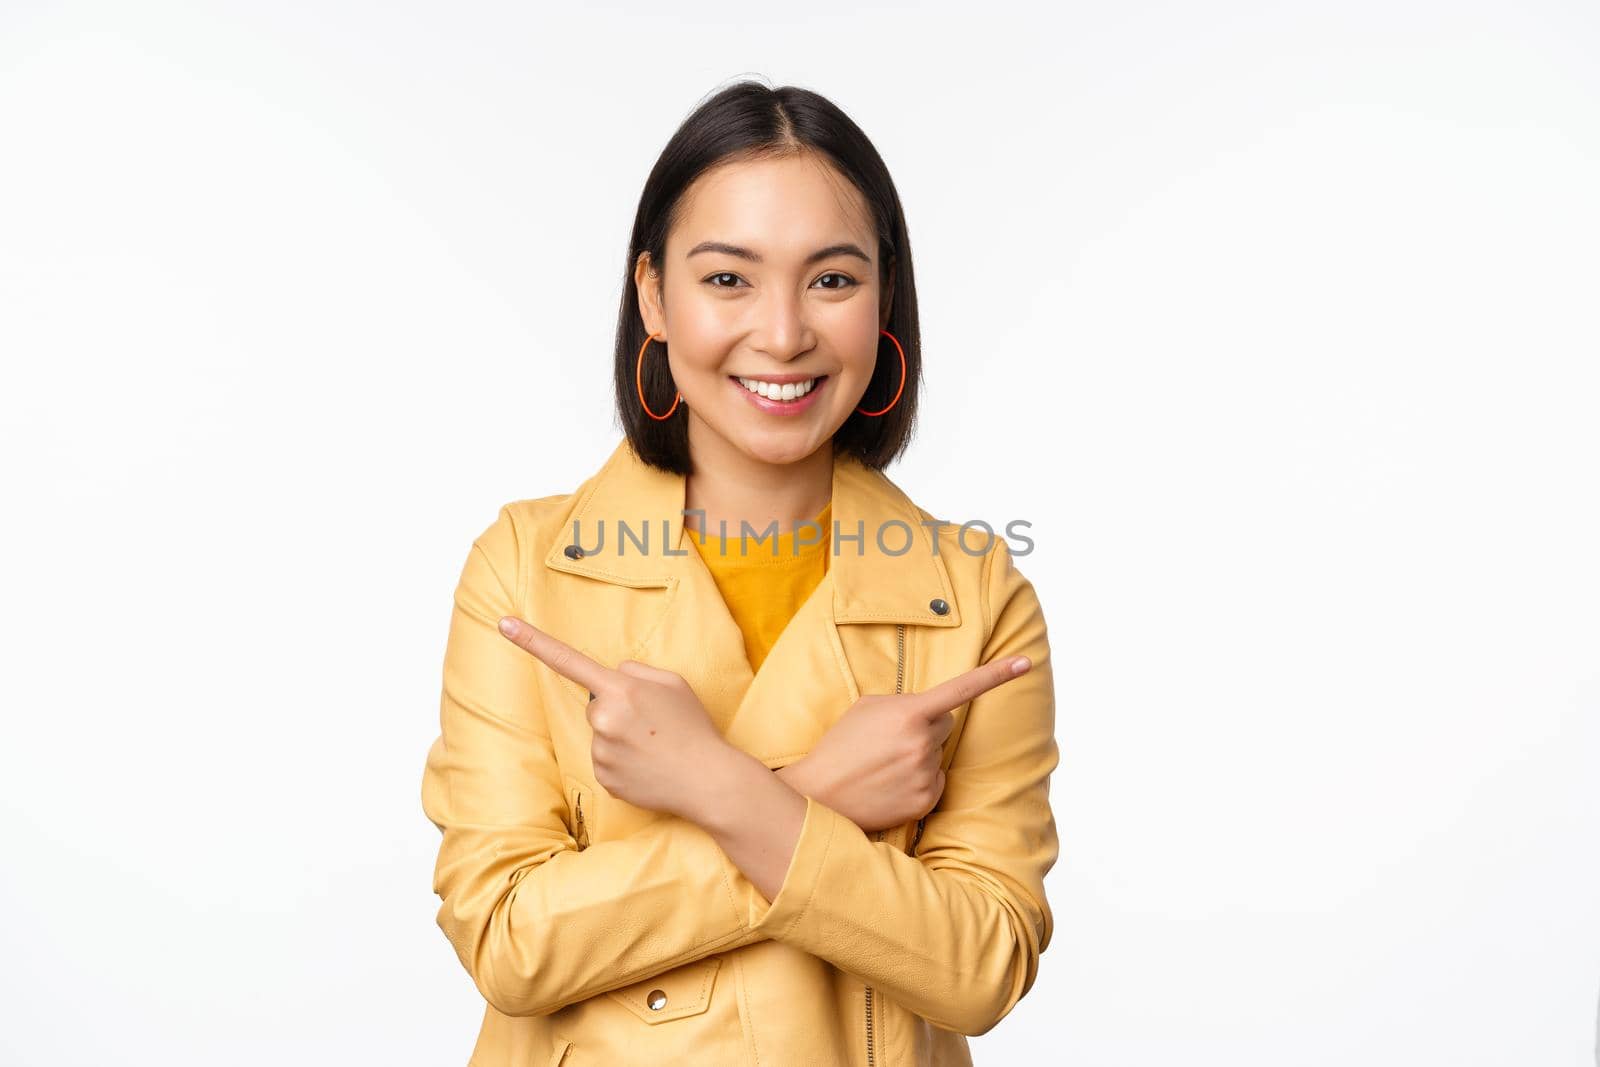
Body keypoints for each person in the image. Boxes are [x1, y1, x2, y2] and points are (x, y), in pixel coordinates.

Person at [420, 79, 1060, 1066]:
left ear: (883, 296)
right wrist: (816, 790)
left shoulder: (973, 595)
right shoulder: (523, 570)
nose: (783, 333)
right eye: (728, 279)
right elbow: (510, 943)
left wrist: (723, 790)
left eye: (831, 280)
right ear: (652, 297)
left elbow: (982, 966)